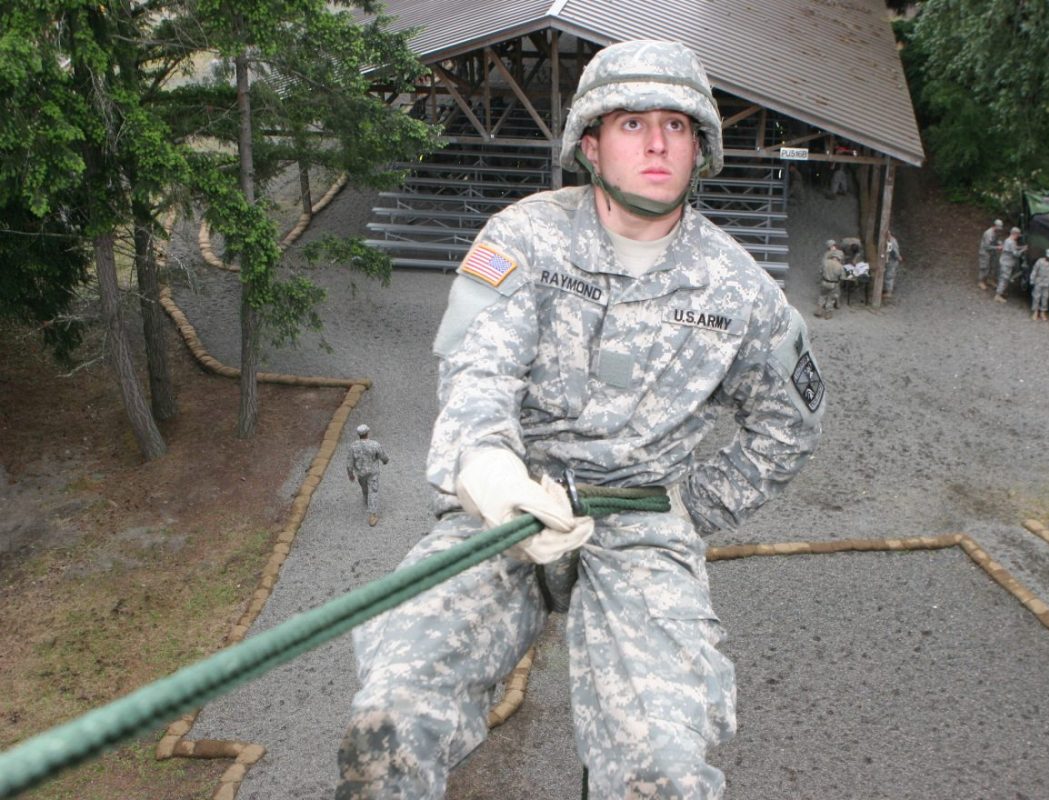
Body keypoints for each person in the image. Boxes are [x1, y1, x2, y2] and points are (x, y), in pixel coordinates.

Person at [337, 39, 825, 800]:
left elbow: (788, 426)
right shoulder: (523, 238)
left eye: (677, 124)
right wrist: (489, 471)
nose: (658, 141)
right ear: (590, 145)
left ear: (702, 148)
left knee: (660, 772)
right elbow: (479, 367)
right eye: (631, 123)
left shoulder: (742, 292)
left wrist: (688, 507)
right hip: (504, 508)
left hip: (639, 527)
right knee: (390, 721)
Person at [346, 424, 389, 527]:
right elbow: (383, 456)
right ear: (367, 433)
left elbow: (349, 463)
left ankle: (366, 498)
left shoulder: (353, 446)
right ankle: (372, 515)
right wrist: (385, 461)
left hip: (361, 474)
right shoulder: (375, 445)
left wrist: (350, 474)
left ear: (359, 434)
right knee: (373, 491)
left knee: (364, 487)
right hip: (373, 473)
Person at [994, 226, 1026, 303]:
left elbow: (1014, 247)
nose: (1018, 236)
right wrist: (1023, 250)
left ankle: (1001, 292)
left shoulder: (1009, 240)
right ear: (1015, 234)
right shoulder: (1010, 242)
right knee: (1004, 279)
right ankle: (998, 295)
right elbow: (1016, 254)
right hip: (1006, 263)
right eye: (1018, 235)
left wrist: (1021, 247)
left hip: (1006, 262)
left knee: (1004, 278)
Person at [1028, 248, 1049, 320]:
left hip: (1047, 283)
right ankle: (1035, 311)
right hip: (1038, 282)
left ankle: (1043, 312)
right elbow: (1035, 270)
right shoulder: (1040, 261)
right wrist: (1032, 279)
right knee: (1036, 297)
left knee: (1045, 298)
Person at [819, 238, 844, 318]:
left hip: (824, 281)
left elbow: (821, 270)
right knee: (831, 297)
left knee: (822, 295)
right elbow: (842, 276)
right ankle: (829, 312)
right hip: (834, 283)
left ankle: (819, 309)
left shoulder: (826, 259)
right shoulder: (840, 265)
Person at [978, 219, 1004, 290]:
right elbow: (987, 246)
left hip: (992, 252)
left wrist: (999, 242)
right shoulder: (988, 233)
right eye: (998, 228)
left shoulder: (996, 232)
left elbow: (996, 240)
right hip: (985, 253)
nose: (999, 230)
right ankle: (981, 281)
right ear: (994, 226)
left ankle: (989, 279)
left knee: (993, 266)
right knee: (984, 267)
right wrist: (997, 247)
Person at [882, 231, 902, 301]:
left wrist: (897, 257)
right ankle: (887, 289)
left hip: (892, 261)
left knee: (889, 275)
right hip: (891, 260)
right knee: (888, 274)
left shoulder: (890, 242)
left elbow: (893, 252)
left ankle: (889, 291)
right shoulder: (892, 240)